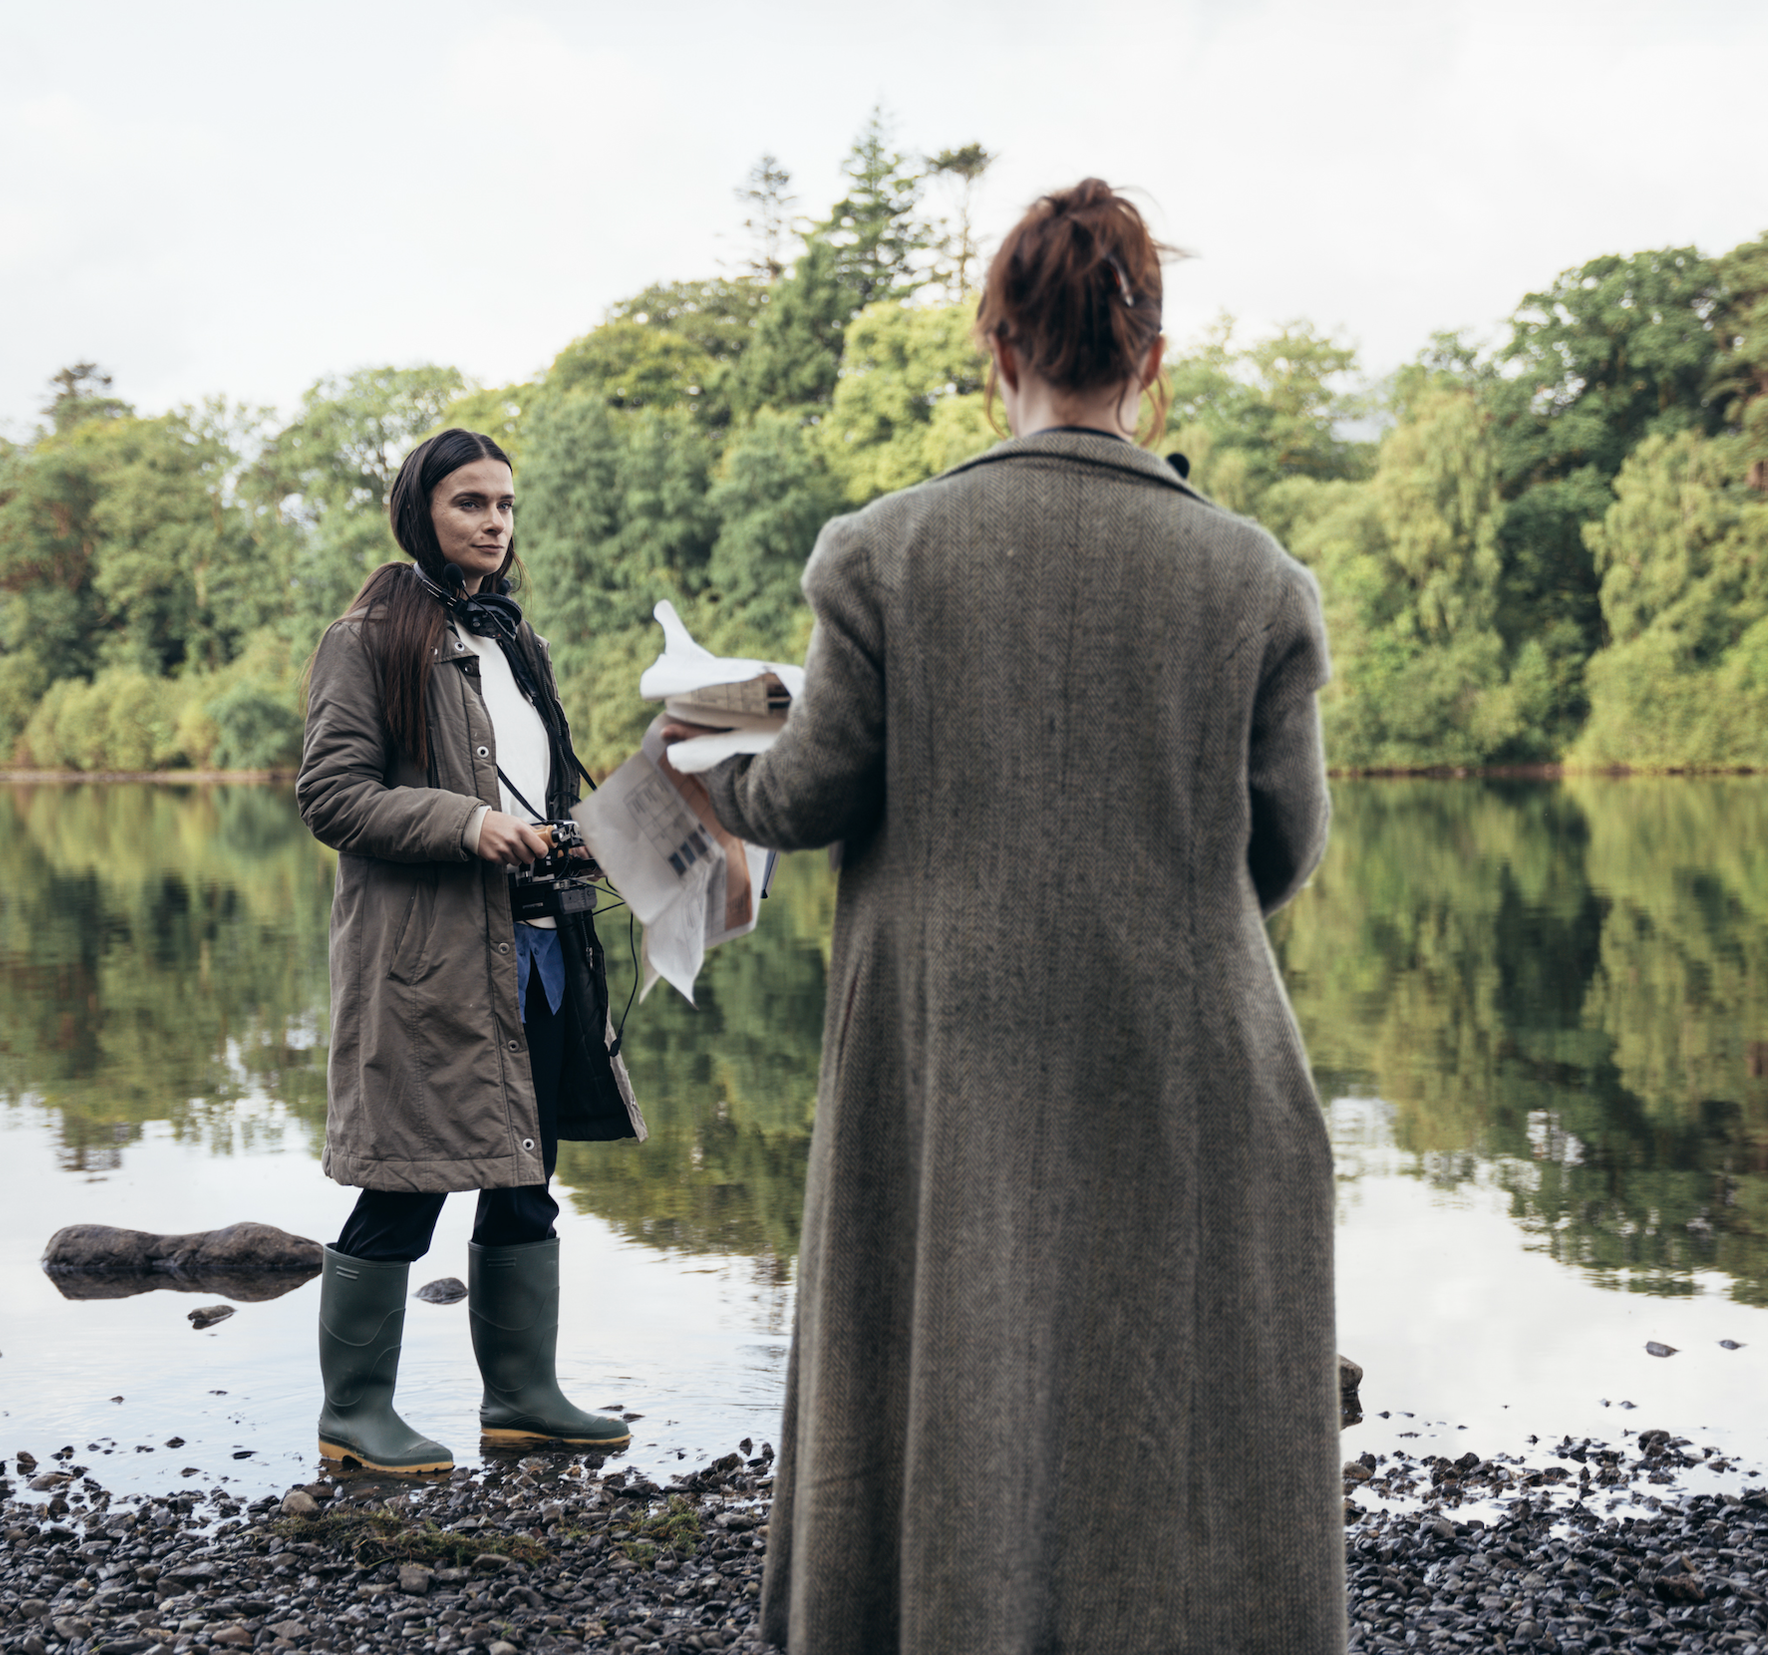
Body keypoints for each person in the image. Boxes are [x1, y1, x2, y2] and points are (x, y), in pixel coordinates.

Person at [681, 180, 1341, 1653]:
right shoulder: (1258, 577)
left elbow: (810, 793)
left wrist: (710, 767)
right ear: (1152, 352)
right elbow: (1285, 848)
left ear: (999, 345)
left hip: (952, 1055)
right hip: (1195, 1052)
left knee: (953, 1380)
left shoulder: (886, 550)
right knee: (1170, 1401)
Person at [296, 427, 644, 1474]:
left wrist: (593, 831)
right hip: (428, 966)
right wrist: (465, 823)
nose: (494, 521)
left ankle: (523, 1400)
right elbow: (330, 792)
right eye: (470, 503)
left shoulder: (513, 641)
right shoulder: (366, 636)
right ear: (421, 511)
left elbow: (542, 790)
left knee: (526, 1174)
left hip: (539, 948)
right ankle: (353, 1416)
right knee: (405, 1181)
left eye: (504, 504)